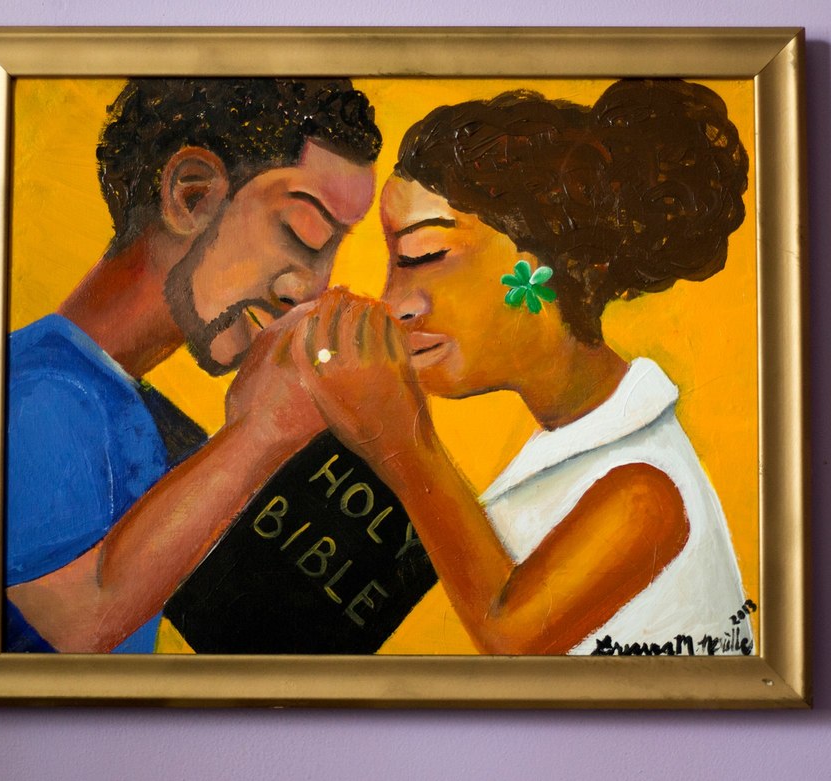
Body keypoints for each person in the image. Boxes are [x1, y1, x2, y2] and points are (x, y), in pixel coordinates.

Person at [283, 80, 754, 655]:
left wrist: (400, 437)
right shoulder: (567, 452)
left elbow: (509, 633)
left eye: (424, 256)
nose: (394, 301)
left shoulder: (645, 488)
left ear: (554, 262)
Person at [5, 78, 381, 653]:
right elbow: (82, 621)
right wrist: (260, 430)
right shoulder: (35, 389)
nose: (311, 288)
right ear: (192, 195)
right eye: (304, 232)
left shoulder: (149, 421)